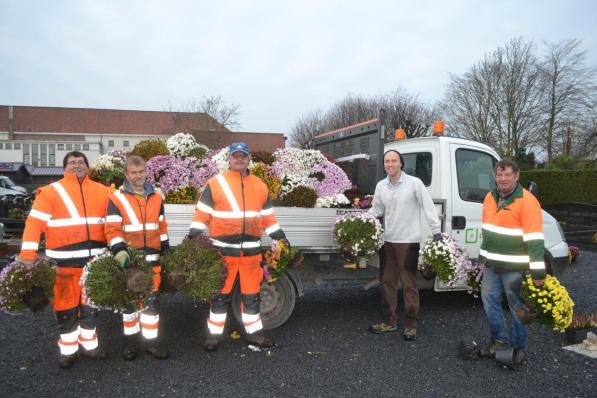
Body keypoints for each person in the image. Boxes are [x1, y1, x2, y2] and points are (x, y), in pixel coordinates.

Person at [188, 142, 289, 351]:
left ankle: (254, 334)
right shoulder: (215, 183)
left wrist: (279, 236)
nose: (239, 159)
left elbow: (268, 217)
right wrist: (194, 236)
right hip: (223, 252)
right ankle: (214, 337)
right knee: (219, 296)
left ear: (248, 159)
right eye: (236, 156)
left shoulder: (260, 185)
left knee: (251, 296)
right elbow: (202, 213)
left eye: (243, 155)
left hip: (251, 253)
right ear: (229, 159)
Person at [20, 151, 111, 368]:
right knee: (65, 310)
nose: (77, 165)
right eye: (72, 162)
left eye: (81, 162)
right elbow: (34, 225)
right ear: (64, 168)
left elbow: (114, 224)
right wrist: (27, 255)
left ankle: (90, 346)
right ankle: (68, 351)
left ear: (88, 167)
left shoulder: (104, 192)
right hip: (63, 266)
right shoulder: (50, 192)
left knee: (90, 309)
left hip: (94, 265)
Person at [368, 150, 441, 341]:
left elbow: (428, 206)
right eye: (386, 161)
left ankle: (411, 325)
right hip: (388, 241)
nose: (389, 164)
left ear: (401, 163)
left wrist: (436, 231)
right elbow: (376, 209)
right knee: (386, 282)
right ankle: (389, 322)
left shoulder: (414, 184)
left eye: (393, 161)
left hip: (408, 242)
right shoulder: (381, 186)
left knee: (409, 284)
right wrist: (360, 220)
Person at [479, 159, 545, 363]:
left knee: (518, 309)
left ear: (517, 177)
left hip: (515, 268)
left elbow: (535, 239)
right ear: (495, 176)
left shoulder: (528, 201)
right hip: (492, 265)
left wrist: (538, 273)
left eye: (508, 175)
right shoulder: (490, 197)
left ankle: (518, 346)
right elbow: (488, 231)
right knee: (490, 304)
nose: (503, 178)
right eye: (499, 174)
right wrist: (482, 259)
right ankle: (499, 341)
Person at [104, 155, 170, 360]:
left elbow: (161, 226)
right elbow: (112, 229)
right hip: (129, 261)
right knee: (130, 306)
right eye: (134, 172)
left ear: (146, 172)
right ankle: (130, 345)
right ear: (126, 174)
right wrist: (119, 250)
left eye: (141, 171)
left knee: (151, 303)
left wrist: (166, 250)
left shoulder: (157, 197)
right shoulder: (116, 198)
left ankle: (150, 344)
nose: (138, 175)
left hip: (153, 261)